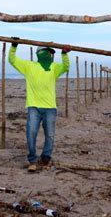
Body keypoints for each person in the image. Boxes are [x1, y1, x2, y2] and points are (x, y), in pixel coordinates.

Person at [8, 37, 70, 172]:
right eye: (49, 52)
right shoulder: (29, 67)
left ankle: (46, 158)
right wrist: (14, 46)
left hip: (50, 108)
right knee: (31, 133)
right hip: (34, 107)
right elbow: (12, 60)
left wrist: (64, 54)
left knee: (50, 135)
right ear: (42, 53)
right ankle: (33, 160)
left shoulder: (54, 68)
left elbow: (66, 67)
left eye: (52, 53)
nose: (51, 55)